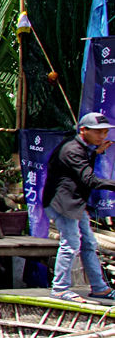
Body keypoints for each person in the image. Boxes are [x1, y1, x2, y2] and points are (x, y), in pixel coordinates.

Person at [44, 111, 115, 301]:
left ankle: (99, 288)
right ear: (83, 130)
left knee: (89, 243)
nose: (103, 136)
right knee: (71, 244)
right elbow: (89, 179)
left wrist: (95, 152)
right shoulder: (72, 150)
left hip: (74, 202)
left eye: (105, 132)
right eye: (98, 132)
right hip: (63, 203)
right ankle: (59, 289)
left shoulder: (83, 148)